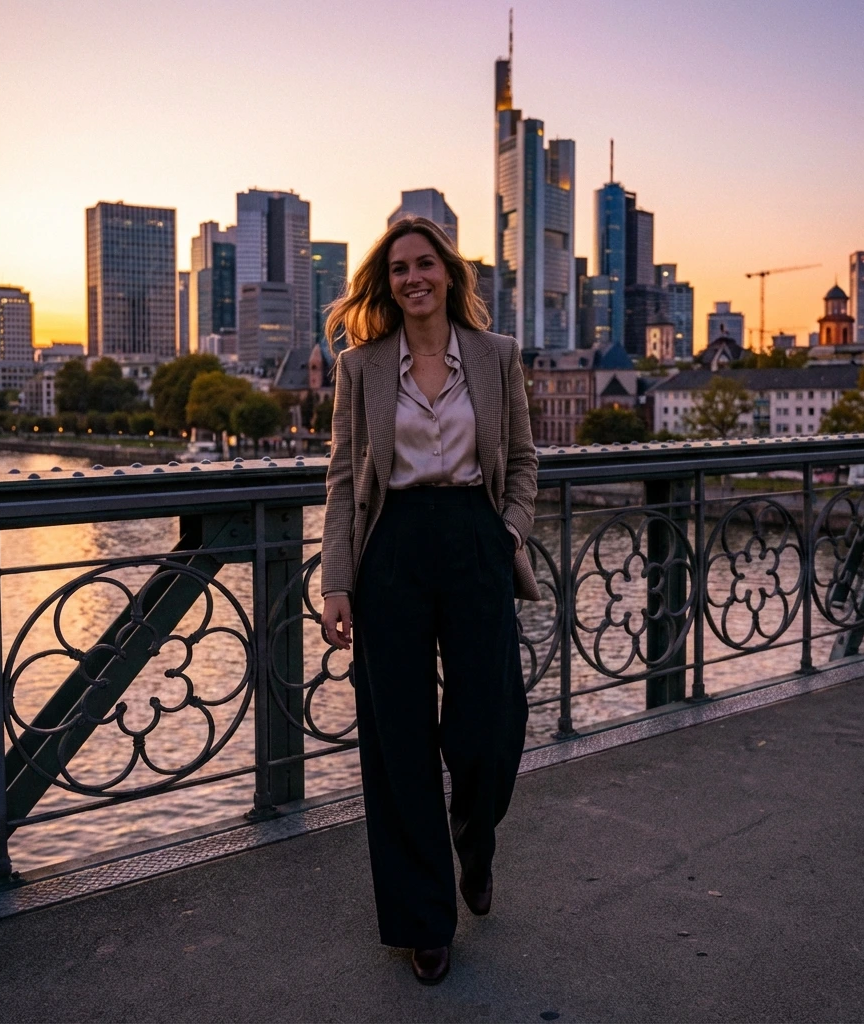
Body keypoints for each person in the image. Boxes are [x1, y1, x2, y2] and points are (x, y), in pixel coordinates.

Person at [319, 216, 540, 985]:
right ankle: (424, 916)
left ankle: (473, 842)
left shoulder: (496, 354)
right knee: (398, 739)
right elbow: (346, 479)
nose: (413, 278)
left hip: (476, 538)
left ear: (449, 272)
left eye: (425, 265)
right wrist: (336, 581)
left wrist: (509, 531)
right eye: (399, 269)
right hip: (393, 547)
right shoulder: (361, 367)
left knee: (491, 720)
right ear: (387, 284)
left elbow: (522, 458)